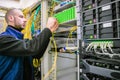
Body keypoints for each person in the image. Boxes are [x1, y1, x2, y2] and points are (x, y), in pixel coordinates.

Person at [0, 8, 59, 80]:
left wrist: (49, 32)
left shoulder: (20, 40)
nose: (25, 20)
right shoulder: (3, 39)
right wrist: (48, 29)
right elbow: (32, 48)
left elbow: (36, 54)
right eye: (21, 17)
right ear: (11, 18)